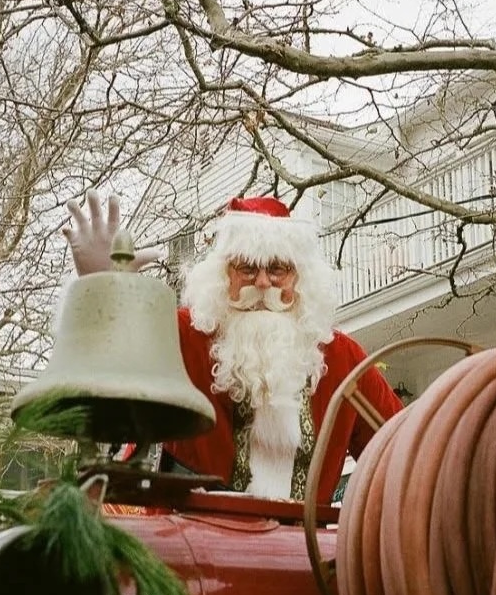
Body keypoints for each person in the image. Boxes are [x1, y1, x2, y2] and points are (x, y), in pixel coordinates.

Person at [62, 191, 403, 502]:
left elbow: (403, 450)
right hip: (192, 537)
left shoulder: (343, 359)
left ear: (300, 277)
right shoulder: (185, 335)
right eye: (247, 268)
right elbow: (111, 366)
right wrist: (103, 289)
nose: (263, 283)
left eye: (278, 269)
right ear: (224, 274)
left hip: (305, 545)